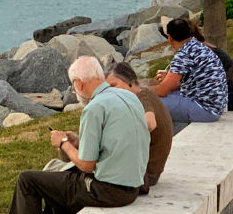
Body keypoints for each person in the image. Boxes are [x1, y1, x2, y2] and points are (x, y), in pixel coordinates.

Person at [9, 57, 149, 214]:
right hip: (133, 186)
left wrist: (63, 143)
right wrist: (80, 142)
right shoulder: (129, 97)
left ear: (79, 83)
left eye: (74, 85)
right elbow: (115, 144)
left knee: (27, 180)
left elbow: (87, 165)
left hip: (107, 190)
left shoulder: (94, 108)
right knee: (55, 183)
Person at [104, 62, 172, 194]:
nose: (111, 92)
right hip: (149, 170)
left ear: (129, 81)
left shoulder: (141, 96)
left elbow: (150, 123)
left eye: (114, 86)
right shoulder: (140, 95)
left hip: (146, 174)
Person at [153, 18, 228, 132]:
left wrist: (141, 91)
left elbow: (162, 91)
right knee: (165, 98)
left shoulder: (184, 54)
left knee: (149, 102)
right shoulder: (198, 46)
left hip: (205, 110)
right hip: (215, 106)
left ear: (170, 37)